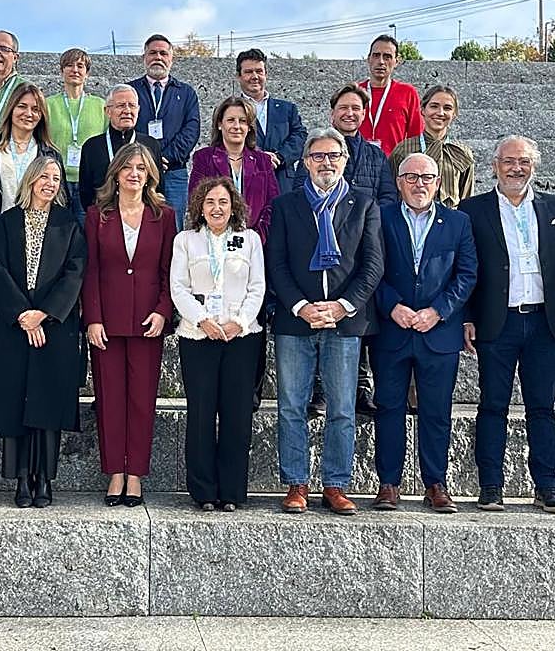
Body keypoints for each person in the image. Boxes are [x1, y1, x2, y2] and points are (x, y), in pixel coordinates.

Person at [460, 136, 555, 514]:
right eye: (509, 161)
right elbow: (465, 268)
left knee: (542, 407)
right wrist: (466, 317)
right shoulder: (473, 210)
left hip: (545, 323)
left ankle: (547, 486)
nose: (517, 168)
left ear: (534, 166)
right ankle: (491, 486)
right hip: (497, 324)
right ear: (495, 165)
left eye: (524, 162)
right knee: (492, 405)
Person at [267, 129, 384, 514]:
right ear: (305, 163)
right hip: (295, 321)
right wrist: (301, 305)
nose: (326, 162)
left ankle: (335, 484)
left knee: (341, 408)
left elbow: (372, 264)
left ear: (345, 160)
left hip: (345, 323)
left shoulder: (364, 204)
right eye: (318, 156)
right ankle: (296, 483)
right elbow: (277, 264)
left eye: (334, 155)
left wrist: (342, 306)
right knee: (291, 405)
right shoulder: (286, 206)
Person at [372, 153, 477, 514]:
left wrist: (438, 311)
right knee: (389, 408)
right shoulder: (381, 217)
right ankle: (388, 483)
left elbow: (467, 275)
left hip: (438, 331)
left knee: (437, 410)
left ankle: (436, 483)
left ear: (438, 183)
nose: (420, 184)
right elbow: (371, 268)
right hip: (392, 329)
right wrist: (392, 306)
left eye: (427, 177)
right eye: (412, 177)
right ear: (399, 181)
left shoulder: (458, 222)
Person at [0, 156, 86, 508]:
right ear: (30, 179)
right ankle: (21, 480)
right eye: (44, 176)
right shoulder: (7, 222)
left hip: (53, 329)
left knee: (47, 406)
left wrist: (44, 314)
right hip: (14, 329)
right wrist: (22, 314)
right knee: (16, 405)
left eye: (56, 178)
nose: (50, 182)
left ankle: (44, 479)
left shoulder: (68, 225)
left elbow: (75, 273)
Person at [83, 143, 175, 507]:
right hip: (106, 322)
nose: (134, 173)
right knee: (109, 399)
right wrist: (92, 318)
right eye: (127, 168)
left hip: (147, 322)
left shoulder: (164, 215)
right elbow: (90, 271)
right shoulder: (97, 214)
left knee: (141, 400)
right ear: (116, 174)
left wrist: (163, 310)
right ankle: (114, 473)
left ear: (149, 174)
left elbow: (169, 269)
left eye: (141, 168)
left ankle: (135, 473)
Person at [170, 177, 265, 512]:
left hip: (240, 337)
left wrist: (237, 323)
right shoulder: (186, 241)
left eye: (223, 202)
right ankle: (204, 491)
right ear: (200, 206)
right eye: (210, 202)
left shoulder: (248, 240)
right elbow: (178, 287)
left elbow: (257, 287)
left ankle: (231, 491)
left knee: (237, 415)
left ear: (233, 205)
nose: (216, 208)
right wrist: (203, 321)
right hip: (199, 337)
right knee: (201, 413)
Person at [310, 83, 400, 417]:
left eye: (356, 109)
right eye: (343, 108)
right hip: (321, 245)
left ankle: (361, 389)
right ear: (332, 112)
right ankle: (319, 391)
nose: (350, 114)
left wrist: (367, 221)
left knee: (357, 316)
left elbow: (389, 198)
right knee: (320, 314)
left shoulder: (376, 156)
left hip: (362, 246)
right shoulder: (317, 149)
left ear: (364, 115)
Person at [129, 35, 200, 231]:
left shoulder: (186, 93)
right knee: (140, 228)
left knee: (173, 228)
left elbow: (191, 130)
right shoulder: (130, 90)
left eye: (163, 53)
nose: (158, 57)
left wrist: (164, 157)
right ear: (144, 57)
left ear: (171, 58)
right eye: (152, 53)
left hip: (174, 172)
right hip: (139, 170)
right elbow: (125, 127)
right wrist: (149, 159)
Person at [188, 95, 279, 243]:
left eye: (243, 121)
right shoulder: (203, 158)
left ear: (249, 127)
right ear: (219, 124)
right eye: (231, 120)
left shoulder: (263, 161)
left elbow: (272, 204)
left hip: (256, 241)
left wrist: (256, 236)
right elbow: (196, 200)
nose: (237, 126)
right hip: (214, 239)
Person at [0, 82, 62, 213]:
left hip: (35, 229)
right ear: (11, 109)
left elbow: (60, 201)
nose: (28, 113)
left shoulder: (51, 155)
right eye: (22, 106)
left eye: (35, 109)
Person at [77, 84, 163, 212]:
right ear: (108, 111)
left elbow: (158, 187)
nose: (127, 111)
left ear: (138, 110)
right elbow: (86, 192)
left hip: (141, 217)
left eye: (132, 105)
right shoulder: (92, 147)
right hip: (103, 216)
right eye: (121, 105)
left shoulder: (151, 145)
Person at [45, 48, 106, 225]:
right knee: (57, 230)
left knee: (85, 233)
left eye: (80, 66)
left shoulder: (100, 106)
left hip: (88, 182)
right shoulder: (48, 104)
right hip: (57, 180)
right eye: (69, 65)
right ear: (61, 71)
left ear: (87, 73)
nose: (75, 70)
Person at [390, 85, 474, 208]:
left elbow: (467, 197)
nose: (440, 113)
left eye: (447, 108)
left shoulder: (462, 153)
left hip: (451, 222)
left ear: (454, 114)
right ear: (423, 110)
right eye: (434, 106)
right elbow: (393, 192)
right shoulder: (403, 150)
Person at [235, 48, 307, 191]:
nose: (255, 76)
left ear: (266, 74)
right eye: (248, 72)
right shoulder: (231, 110)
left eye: (259, 71)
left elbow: (300, 137)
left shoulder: (287, 109)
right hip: (246, 185)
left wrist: (279, 157)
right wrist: (259, 158)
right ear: (238, 76)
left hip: (283, 184)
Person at [357, 34, 423, 155]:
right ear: (368, 59)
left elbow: (416, 136)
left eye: (387, 57)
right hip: (357, 165)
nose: (381, 61)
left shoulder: (408, 93)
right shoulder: (355, 92)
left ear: (396, 61)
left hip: (393, 167)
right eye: (376, 55)